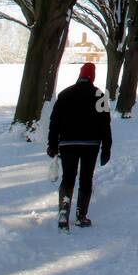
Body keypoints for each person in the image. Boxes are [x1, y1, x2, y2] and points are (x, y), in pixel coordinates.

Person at [47, 62, 112, 230]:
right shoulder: (100, 96)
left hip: (67, 143)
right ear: (93, 77)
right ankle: (81, 215)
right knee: (85, 179)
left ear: (80, 75)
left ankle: (63, 211)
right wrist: (106, 149)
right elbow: (106, 125)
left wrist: (52, 144)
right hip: (91, 145)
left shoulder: (65, 94)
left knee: (68, 178)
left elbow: (54, 122)